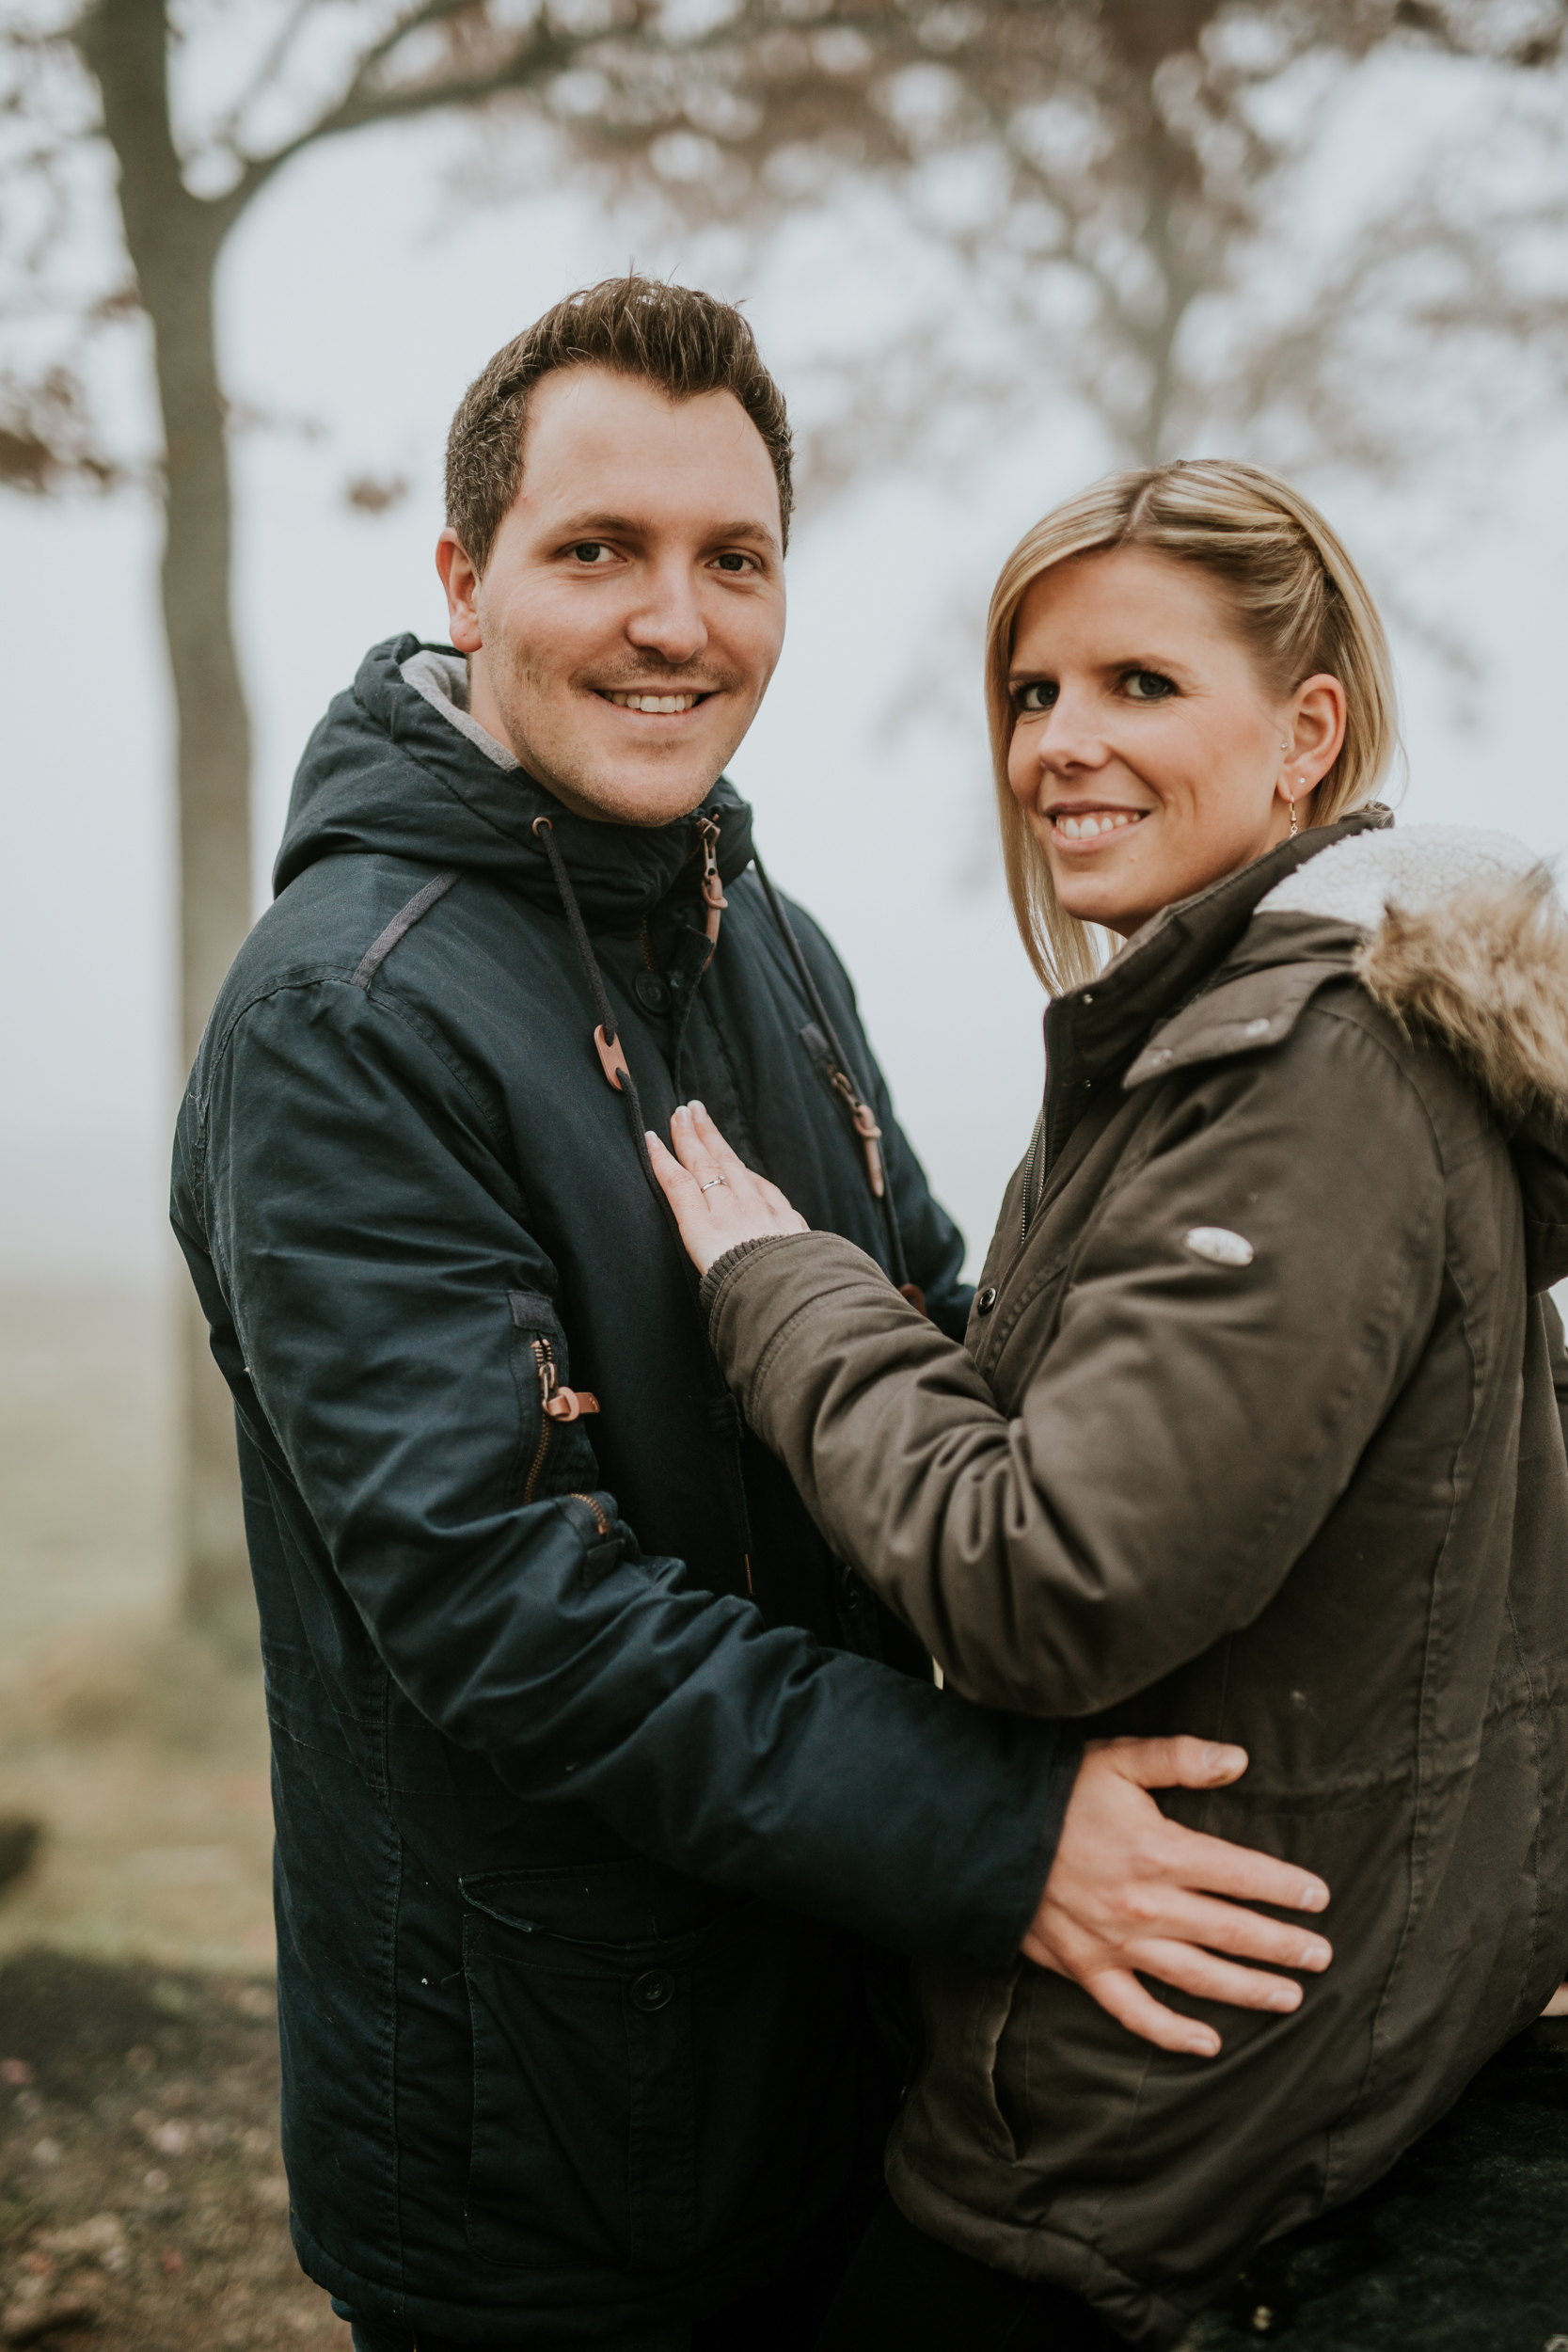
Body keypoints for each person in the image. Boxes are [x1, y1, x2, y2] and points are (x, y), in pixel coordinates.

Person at [171, 292, 1334, 2352]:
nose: (675, 621)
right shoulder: (346, 1020)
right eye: (597, 549)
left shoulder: (755, 928)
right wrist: (1000, 1835)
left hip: (838, 2062)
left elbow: (947, 1345)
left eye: (734, 558)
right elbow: (512, 1608)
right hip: (556, 2153)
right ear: (465, 579)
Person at [650, 456, 1568, 2349]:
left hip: (1146, 2134)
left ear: (1307, 735)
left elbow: (1045, 1580)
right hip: (1262, 2060)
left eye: (1140, 683)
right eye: (1033, 691)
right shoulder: (1228, 1042)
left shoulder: (1301, 1079)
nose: (1060, 743)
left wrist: (782, 1288)